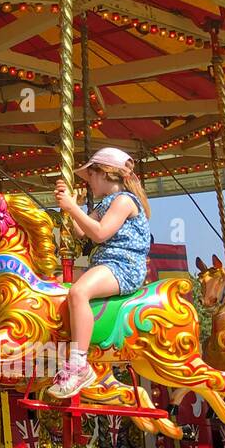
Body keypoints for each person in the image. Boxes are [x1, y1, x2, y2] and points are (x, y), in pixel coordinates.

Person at [51, 147, 152, 399]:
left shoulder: (124, 201)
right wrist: (70, 205)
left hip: (123, 265)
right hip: (104, 264)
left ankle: (79, 364)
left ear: (104, 173)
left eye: (90, 176)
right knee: (55, 285)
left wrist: (73, 208)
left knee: (79, 292)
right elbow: (81, 233)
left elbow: (99, 233)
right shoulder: (106, 202)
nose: (89, 182)